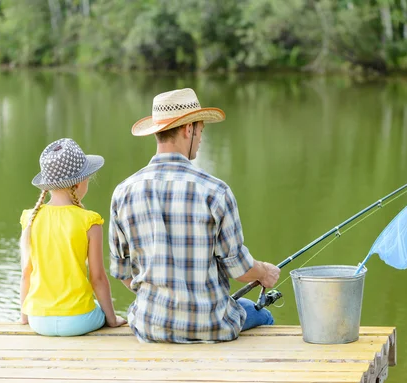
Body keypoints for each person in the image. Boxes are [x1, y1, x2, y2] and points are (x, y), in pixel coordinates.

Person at [109, 88, 280, 343]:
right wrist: (264, 272)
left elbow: (123, 273)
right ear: (188, 129)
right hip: (211, 326)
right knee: (263, 316)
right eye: (201, 130)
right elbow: (241, 271)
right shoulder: (215, 191)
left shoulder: (123, 192)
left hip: (149, 325)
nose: (200, 138)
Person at [19, 138, 126, 336]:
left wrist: (25, 317)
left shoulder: (31, 218)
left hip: (39, 320)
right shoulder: (89, 221)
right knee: (95, 307)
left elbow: (26, 272)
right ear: (78, 184)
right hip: (78, 320)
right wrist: (112, 319)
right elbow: (98, 278)